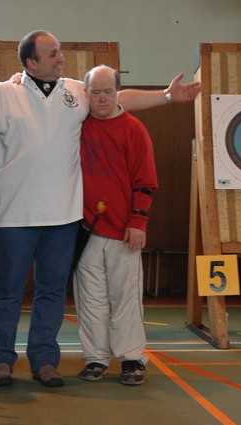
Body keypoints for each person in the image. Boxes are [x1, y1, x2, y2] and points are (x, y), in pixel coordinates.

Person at [0, 30, 200, 387]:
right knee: (7, 291)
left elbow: (116, 98)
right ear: (31, 62)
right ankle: (0, 359)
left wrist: (166, 96)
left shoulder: (76, 91)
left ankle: (44, 360)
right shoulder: (2, 92)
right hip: (14, 216)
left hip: (64, 219)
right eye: (53, 53)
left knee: (52, 292)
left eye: (60, 51)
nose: (61, 58)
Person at [74, 65, 157, 386]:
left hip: (124, 231)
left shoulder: (134, 128)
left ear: (117, 92)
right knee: (90, 299)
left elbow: (145, 180)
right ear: (86, 93)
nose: (102, 99)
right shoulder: (77, 124)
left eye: (108, 92)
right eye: (95, 92)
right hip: (85, 231)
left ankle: (132, 358)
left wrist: (138, 221)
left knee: (126, 297)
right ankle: (95, 358)